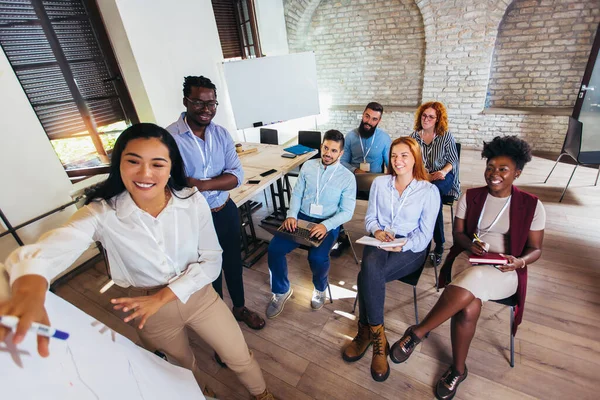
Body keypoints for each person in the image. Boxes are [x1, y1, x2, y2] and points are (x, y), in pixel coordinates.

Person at [0, 124, 276, 400]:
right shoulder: (102, 212)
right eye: (133, 161)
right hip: (147, 308)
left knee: (238, 355)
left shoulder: (191, 201)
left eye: (157, 164)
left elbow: (213, 260)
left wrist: (164, 296)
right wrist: (29, 283)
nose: (145, 174)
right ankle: (201, 394)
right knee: (181, 367)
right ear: (118, 164)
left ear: (171, 168)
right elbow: (56, 243)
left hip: (198, 296)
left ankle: (262, 394)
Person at [389, 136, 545, 400]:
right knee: (469, 306)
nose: (494, 174)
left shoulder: (532, 205)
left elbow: (536, 249)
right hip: (469, 259)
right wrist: (472, 245)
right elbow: (459, 234)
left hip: (505, 270)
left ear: (517, 172)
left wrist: (520, 262)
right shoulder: (471, 197)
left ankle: (418, 332)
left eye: (502, 169)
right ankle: (458, 370)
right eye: (490, 167)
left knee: (471, 285)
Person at [166, 75, 265, 331]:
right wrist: (216, 180)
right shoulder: (169, 139)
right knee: (208, 272)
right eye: (199, 103)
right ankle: (219, 323)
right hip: (193, 218)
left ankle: (240, 308)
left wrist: (200, 183)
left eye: (212, 103)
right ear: (186, 101)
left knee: (233, 262)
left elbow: (237, 175)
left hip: (224, 210)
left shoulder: (221, 134)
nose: (207, 109)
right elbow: (173, 183)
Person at [342, 137, 439, 382]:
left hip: (410, 247)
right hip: (380, 240)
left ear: (415, 157)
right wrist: (376, 231)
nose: (398, 160)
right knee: (371, 269)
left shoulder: (428, 191)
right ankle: (378, 339)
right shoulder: (380, 184)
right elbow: (371, 218)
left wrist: (403, 243)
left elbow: (425, 235)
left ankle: (367, 333)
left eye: (404, 155)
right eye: (394, 155)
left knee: (367, 275)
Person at [266, 130, 356, 318]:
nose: (327, 154)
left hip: (327, 222)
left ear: (341, 153)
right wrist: (291, 215)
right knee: (274, 248)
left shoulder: (347, 178)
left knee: (317, 258)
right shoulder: (308, 166)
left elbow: (347, 212)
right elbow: (297, 193)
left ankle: (320, 288)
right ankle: (281, 290)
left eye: (333, 150)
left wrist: (326, 225)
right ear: (321, 146)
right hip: (301, 217)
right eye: (325, 148)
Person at [334, 102, 391, 257]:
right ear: (363, 115)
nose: (369, 121)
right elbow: (343, 161)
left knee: (385, 204)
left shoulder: (385, 138)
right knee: (335, 198)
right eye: (367, 116)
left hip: (375, 183)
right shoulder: (351, 136)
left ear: (378, 121)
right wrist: (355, 170)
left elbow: (390, 166)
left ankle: (378, 235)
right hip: (352, 181)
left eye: (374, 119)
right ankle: (339, 237)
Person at [410, 101, 460, 265]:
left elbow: (453, 161)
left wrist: (443, 172)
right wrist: (424, 175)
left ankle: (439, 244)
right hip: (423, 176)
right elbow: (412, 161)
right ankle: (414, 235)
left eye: (431, 117)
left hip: (443, 176)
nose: (426, 119)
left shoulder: (445, 135)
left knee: (433, 195)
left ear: (438, 119)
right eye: (424, 115)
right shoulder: (414, 137)